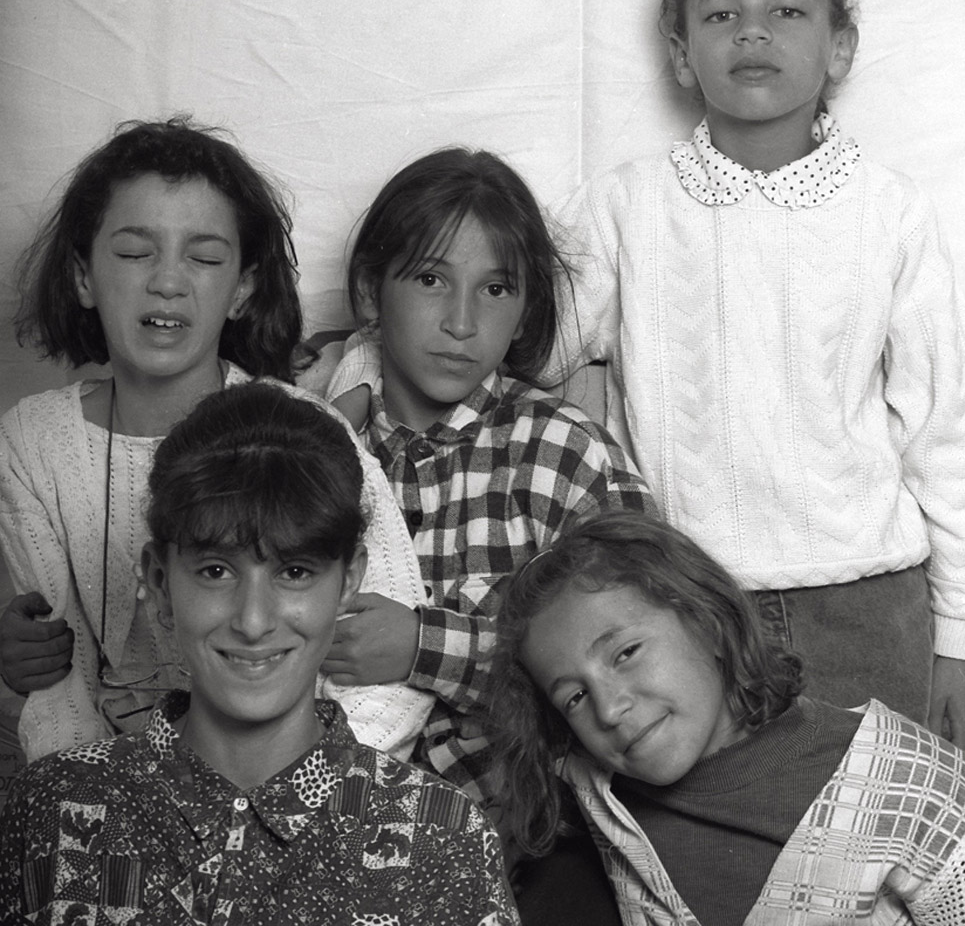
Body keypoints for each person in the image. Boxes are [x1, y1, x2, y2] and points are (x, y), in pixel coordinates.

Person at [535, 0, 965, 753]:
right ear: (683, 56)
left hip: (867, 605)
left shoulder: (889, 211)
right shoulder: (625, 208)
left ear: (839, 46)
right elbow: (517, 345)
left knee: (872, 827)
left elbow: (949, 435)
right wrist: (366, 352)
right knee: (709, 832)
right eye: (721, 14)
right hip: (681, 607)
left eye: (786, 9)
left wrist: (961, 641)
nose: (753, 31)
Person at [0, 383, 516, 925]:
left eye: (294, 572)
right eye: (215, 571)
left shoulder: (443, 837)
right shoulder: (53, 806)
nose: (252, 621)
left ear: (348, 582)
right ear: (160, 581)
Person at [0, 117, 431, 764]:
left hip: (301, 776)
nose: (168, 281)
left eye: (202, 258)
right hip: (116, 788)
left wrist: (295, 794)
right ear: (83, 275)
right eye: (135, 252)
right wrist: (116, 803)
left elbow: (386, 676)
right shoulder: (32, 443)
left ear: (243, 289)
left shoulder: (305, 432)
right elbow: (59, 690)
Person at [322, 147, 654, 922]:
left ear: (526, 309)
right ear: (371, 291)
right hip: (339, 845)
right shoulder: (325, 449)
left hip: (535, 843)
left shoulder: (562, 450)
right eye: (430, 280)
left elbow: (640, 666)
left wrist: (422, 646)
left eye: (496, 289)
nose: (462, 322)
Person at [490, 509, 965, 925]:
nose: (609, 708)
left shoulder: (920, 790)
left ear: (707, 621)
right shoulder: (597, 796)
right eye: (575, 697)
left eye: (625, 653)